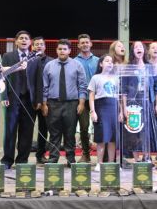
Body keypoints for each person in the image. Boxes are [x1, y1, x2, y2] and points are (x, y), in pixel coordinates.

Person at [42, 39, 87, 167]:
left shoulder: (77, 65)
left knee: (70, 133)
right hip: (53, 104)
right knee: (54, 133)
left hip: (71, 104)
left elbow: (82, 85)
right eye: (60, 49)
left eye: (65, 49)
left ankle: (70, 159)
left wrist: (82, 103)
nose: (62, 51)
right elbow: (44, 86)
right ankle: (53, 159)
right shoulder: (49, 66)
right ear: (56, 50)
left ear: (69, 51)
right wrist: (44, 104)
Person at [1, 30, 37, 169]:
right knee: (10, 130)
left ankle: (22, 160)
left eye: (26, 38)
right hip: (12, 98)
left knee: (27, 131)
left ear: (30, 42)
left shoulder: (35, 58)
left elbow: (38, 80)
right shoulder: (7, 56)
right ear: (16, 41)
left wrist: (38, 100)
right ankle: (7, 160)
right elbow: (2, 76)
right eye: (21, 38)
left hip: (29, 100)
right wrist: (4, 96)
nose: (23, 40)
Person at [122, 41, 157, 163]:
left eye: (141, 47)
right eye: (136, 47)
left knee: (147, 130)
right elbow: (123, 90)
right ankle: (136, 159)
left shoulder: (150, 67)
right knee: (134, 129)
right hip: (133, 102)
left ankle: (147, 156)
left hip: (147, 100)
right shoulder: (128, 68)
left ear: (144, 50)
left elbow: (156, 87)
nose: (139, 48)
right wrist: (123, 108)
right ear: (133, 51)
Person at [88, 54, 117, 171]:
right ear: (101, 64)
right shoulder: (96, 78)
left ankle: (110, 163)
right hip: (101, 108)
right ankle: (99, 163)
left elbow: (120, 96)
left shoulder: (116, 78)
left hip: (114, 108)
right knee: (102, 137)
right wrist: (93, 111)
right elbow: (91, 96)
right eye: (107, 61)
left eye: (111, 61)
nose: (110, 63)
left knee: (112, 138)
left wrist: (121, 112)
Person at [74, 34, 99, 163]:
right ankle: (85, 154)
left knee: (100, 126)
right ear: (78, 45)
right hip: (82, 98)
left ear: (91, 44)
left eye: (87, 42)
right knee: (84, 127)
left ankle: (102, 156)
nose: (84, 44)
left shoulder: (98, 61)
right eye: (82, 42)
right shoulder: (74, 61)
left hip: (97, 98)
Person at [30, 36, 53, 164]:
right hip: (30, 101)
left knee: (43, 129)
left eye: (41, 44)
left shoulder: (51, 62)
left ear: (45, 47)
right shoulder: (28, 60)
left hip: (45, 101)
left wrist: (44, 101)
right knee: (27, 129)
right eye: (36, 44)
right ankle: (23, 157)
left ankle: (40, 155)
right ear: (32, 47)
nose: (38, 46)